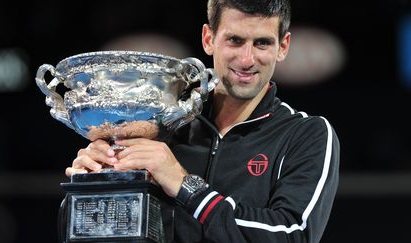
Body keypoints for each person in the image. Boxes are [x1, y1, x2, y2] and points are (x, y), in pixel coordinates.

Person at [65, 0, 340, 242]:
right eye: (234, 40)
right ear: (208, 39)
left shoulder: (306, 134)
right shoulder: (158, 126)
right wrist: (91, 189)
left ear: (283, 47)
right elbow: (96, 233)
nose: (247, 59)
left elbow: (293, 236)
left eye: (262, 43)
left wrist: (187, 187)